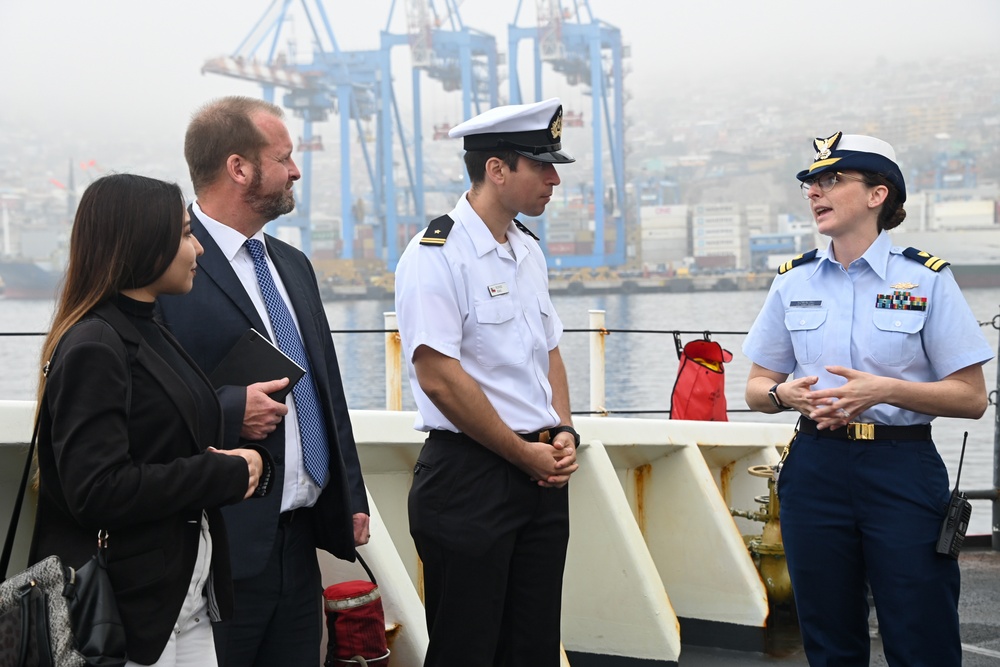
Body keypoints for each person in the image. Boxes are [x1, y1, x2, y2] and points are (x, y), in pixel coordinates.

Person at [743, 132, 993, 666]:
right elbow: (755, 389)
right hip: (815, 467)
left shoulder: (925, 280)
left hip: (900, 466)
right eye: (811, 183)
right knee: (828, 635)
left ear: (878, 194)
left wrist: (883, 390)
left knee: (920, 629)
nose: (814, 192)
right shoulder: (793, 281)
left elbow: (972, 398)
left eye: (832, 179)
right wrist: (785, 394)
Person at [156, 96, 370, 667]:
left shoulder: (292, 264)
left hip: (300, 541)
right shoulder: (168, 269)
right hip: (218, 545)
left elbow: (326, 389)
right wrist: (229, 410)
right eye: (284, 158)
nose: (296, 170)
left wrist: (350, 493)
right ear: (239, 168)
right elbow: (146, 401)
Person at [29, 173, 269, 667]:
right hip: (125, 614)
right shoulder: (96, 344)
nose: (198, 248)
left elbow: (164, 445)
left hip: (183, 598)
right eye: (184, 233)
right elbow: (96, 489)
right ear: (141, 240)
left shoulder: (150, 327)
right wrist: (223, 473)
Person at [394, 97, 581, 666]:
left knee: (532, 649)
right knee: (467, 650)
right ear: (497, 169)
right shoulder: (436, 255)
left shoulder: (526, 251)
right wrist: (522, 453)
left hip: (539, 474)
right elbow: (438, 377)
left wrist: (563, 430)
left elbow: (549, 351)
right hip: (469, 479)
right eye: (540, 164)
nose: (554, 178)